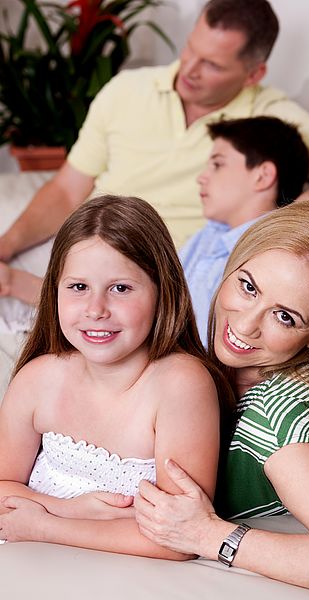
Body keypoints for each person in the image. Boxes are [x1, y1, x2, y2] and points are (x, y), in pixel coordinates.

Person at [0, 0, 309, 307]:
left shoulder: (269, 118)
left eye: (212, 64)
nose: (188, 70)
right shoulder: (127, 89)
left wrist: (278, 227)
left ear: (253, 74)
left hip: (151, 276)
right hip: (85, 246)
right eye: (190, 50)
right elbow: (66, 189)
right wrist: (6, 247)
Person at [133, 200, 309, 599]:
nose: (244, 324)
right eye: (248, 286)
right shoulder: (216, 370)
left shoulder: (275, 416)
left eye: (285, 316)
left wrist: (209, 535)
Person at [0, 194, 234, 557]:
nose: (96, 310)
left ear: (163, 291)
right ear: (55, 292)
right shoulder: (38, 378)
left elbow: (180, 538)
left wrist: (48, 524)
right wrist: (75, 509)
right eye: (78, 287)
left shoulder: (180, 385)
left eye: (120, 288)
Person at [179, 115, 309, 346]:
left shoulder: (272, 257)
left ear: (262, 176)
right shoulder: (209, 233)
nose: (201, 178)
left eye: (218, 164)